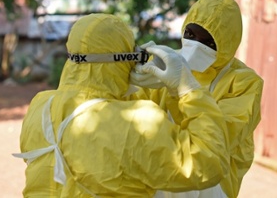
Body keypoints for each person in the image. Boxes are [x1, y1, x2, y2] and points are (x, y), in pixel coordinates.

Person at [12, 14, 230, 197]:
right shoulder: (136, 123)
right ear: (126, 58)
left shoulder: (40, 107)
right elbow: (209, 163)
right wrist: (186, 89)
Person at [130, 0, 264, 198]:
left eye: (209, 42)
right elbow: (131, 118)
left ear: (228, 44)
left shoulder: (244, 82)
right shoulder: (165, 62)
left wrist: (180, 90)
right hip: (161, 166)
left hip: (214, 181)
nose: (195, 46)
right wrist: (133, 78)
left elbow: (216, 139)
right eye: (190, 35)